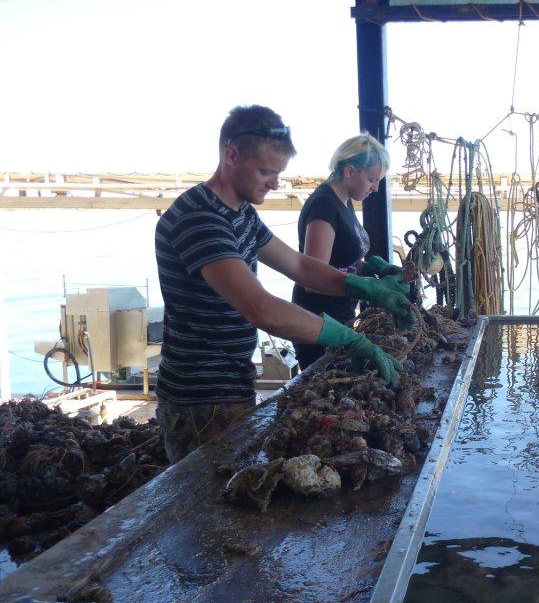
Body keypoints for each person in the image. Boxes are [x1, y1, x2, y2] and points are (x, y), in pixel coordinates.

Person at [154, 105, 417, 462]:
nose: (276, 183)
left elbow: (299, 265)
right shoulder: (200, 220)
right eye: (266, 171)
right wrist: (350, 338)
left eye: (279, 172)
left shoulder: (240, 213)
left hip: (233, 382)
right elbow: (262, 309)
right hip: (200, 398)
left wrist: (367, 288)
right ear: (232, 155)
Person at [290, 133, 404, 370]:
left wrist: (374, 270)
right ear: (350, 171)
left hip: (340, 315)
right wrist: (369, 289)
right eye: (373, 179)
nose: (376, 188)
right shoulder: (324, 205)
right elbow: (312, 277)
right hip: (319, 321)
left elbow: (342, 259)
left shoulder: (344, 200)